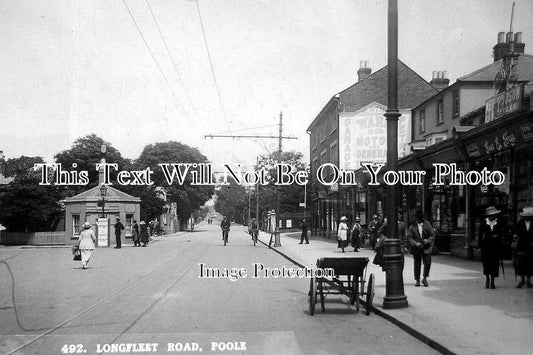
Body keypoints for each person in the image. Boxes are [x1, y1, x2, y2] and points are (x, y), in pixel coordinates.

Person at [407, 210, 436, 287]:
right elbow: (409, 237)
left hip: (426, 247)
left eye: (421, 217)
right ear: (416, 218)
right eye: (418, 217)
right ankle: (417, 280)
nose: (420, 219)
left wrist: (428, 240)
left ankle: (425, 278)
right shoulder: (412, 226)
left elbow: (433, 235)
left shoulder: (427, 224)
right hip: (417, 248)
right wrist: (415, 243)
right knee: (417, 264)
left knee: (427, 263)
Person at [478, 206, 504, 289]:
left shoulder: (498, 223)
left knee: (495, 264)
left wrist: (498, 236)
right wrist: (480, 247)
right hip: (486, 246)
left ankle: (493, 281)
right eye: (492, 215)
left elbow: (501, 234)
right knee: (486, 264)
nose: (493, 217)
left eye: (494, 215)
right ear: (488, 216)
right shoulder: (483, 223)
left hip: (495, 246)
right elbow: (480, 236)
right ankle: (487, 279)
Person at [513, 206, 533, 288]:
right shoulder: (520, 223)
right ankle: (522, 280)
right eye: (525, 216)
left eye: (528, 216)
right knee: (521, 264)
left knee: (530, 264)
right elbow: (516, 233)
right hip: (521, 246)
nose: (526, 218)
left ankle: (528, 281)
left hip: (531, 246)